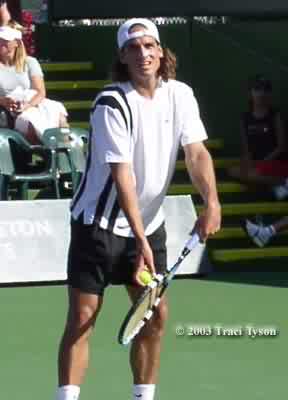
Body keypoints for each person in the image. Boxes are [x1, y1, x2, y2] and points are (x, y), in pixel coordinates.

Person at [55, 18, 221, 400]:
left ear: (161, 52)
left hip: (149, 225)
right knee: (83, 318)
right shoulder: (111, 102)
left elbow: (196, 152)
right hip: (97, 225)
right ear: (123, 57)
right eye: (134, 48)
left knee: (156, 316)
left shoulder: (181, 95)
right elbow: (122, 174)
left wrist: (211, 201)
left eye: (149, 46)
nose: (143, 53)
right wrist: (141, 240)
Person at [0, 25, 69, 144]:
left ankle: (63, 152)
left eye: (5, 40)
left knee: (58, 113)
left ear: (16, 43)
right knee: (29, 123)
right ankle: (48, 149)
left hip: (31, 103)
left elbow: (40, 91)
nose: (1, 43)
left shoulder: (30, 62)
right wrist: (4, 101)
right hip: (8, 109)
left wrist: (28, 105)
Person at [228, 75, 288, 196]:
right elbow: (246, 148)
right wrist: (249, 161)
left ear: (269, 94)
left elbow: (282, 147)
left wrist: (263, 162)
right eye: (257, 90)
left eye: (265, 90)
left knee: (254, 174)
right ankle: (277, 186)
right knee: (233, 171)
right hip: (256, 165)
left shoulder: (275, 115)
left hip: (275, 162)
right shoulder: (245, 118)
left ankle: (283, 182)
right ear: (251, 93)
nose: (261, 94)